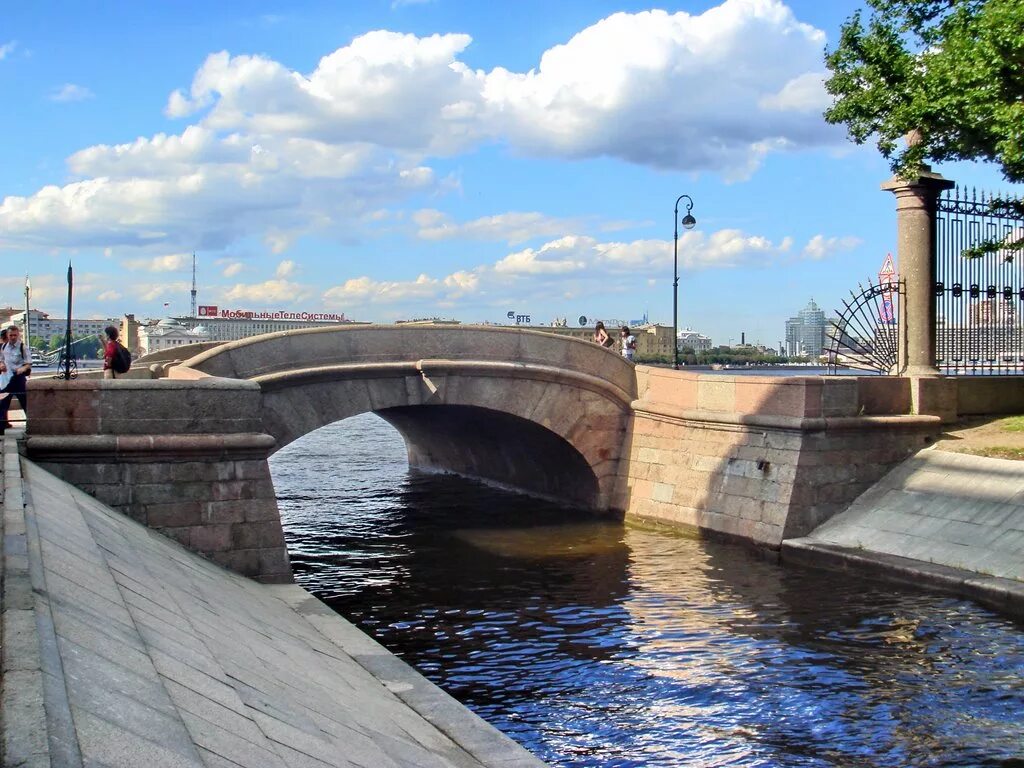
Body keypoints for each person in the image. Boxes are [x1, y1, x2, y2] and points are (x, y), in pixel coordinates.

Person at [0, 326, 31, 432]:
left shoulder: (23, 347)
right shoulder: (4, 347)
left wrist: (23, 368)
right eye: (11, 335)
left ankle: (31, 425)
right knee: (3, 403)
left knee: (25, 402)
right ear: (7, 336)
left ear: (18, 335)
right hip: (6, 378)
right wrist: (1, 365)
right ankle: (1, 426)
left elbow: (28, 364)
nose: (13, 337)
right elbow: (1, 360)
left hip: (18, 378)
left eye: (15, 335)